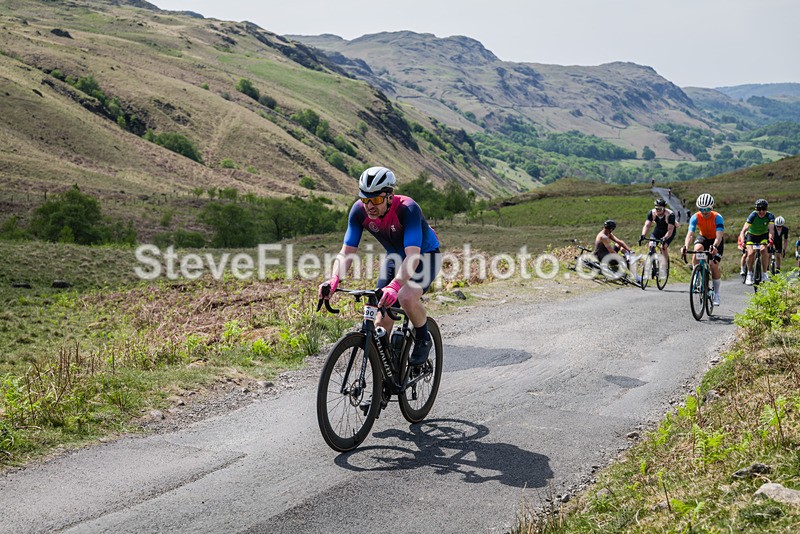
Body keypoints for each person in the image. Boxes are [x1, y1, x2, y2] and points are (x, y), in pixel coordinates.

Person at [319, 166, 442, 366]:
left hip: (424, 256)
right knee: (379, 317)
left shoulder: (408, 209)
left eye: (375, 200)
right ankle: (387, 373)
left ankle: (423, 337)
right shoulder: (359, 211)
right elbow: (347, 253)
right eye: (365, 199)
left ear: (389, 196)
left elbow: (413, 257)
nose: (369, 206)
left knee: (405, 296)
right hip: (395, 257)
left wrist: (395, 286)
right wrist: (334, 279)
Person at [681, 193, 724, 306]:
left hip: (716, 240)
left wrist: (714, 246)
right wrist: (685, 246)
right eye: (701, 209)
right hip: (703, 237)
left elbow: (719, 235)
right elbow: (690, 234)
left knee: (713, 265)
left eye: (707, 209)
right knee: (697, 250)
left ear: (711, 208)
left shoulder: (717, 217)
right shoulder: (695, 217)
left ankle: (717, 293)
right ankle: (697, 275)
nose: (704, 212)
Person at [739, 198, 775, 285]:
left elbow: (771, 230)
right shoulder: (753, 216)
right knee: (750, 253)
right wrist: (742, 241)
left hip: (763, 235)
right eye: (759, 209)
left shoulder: (770, 216)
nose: (761, 212)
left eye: (764, 209)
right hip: (751, 235)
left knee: (763, 250)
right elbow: (743, 231)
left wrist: (770, 240)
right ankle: (749, 274)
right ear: (755, 209)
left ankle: (764, 273)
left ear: (767, 209)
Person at [639, 198, 676, 268]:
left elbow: (670, 230)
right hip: (658, 230)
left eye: (660, 209)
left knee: (663, 247)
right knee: (651, 245)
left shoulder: (670, 215)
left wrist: (664, 238)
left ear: (664, 208)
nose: (658, 211)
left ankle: (665, 266)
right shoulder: (652, 213)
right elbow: (647, 225)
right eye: (657, 209)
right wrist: (643, 235)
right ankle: (655, 262)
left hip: (668, 232)